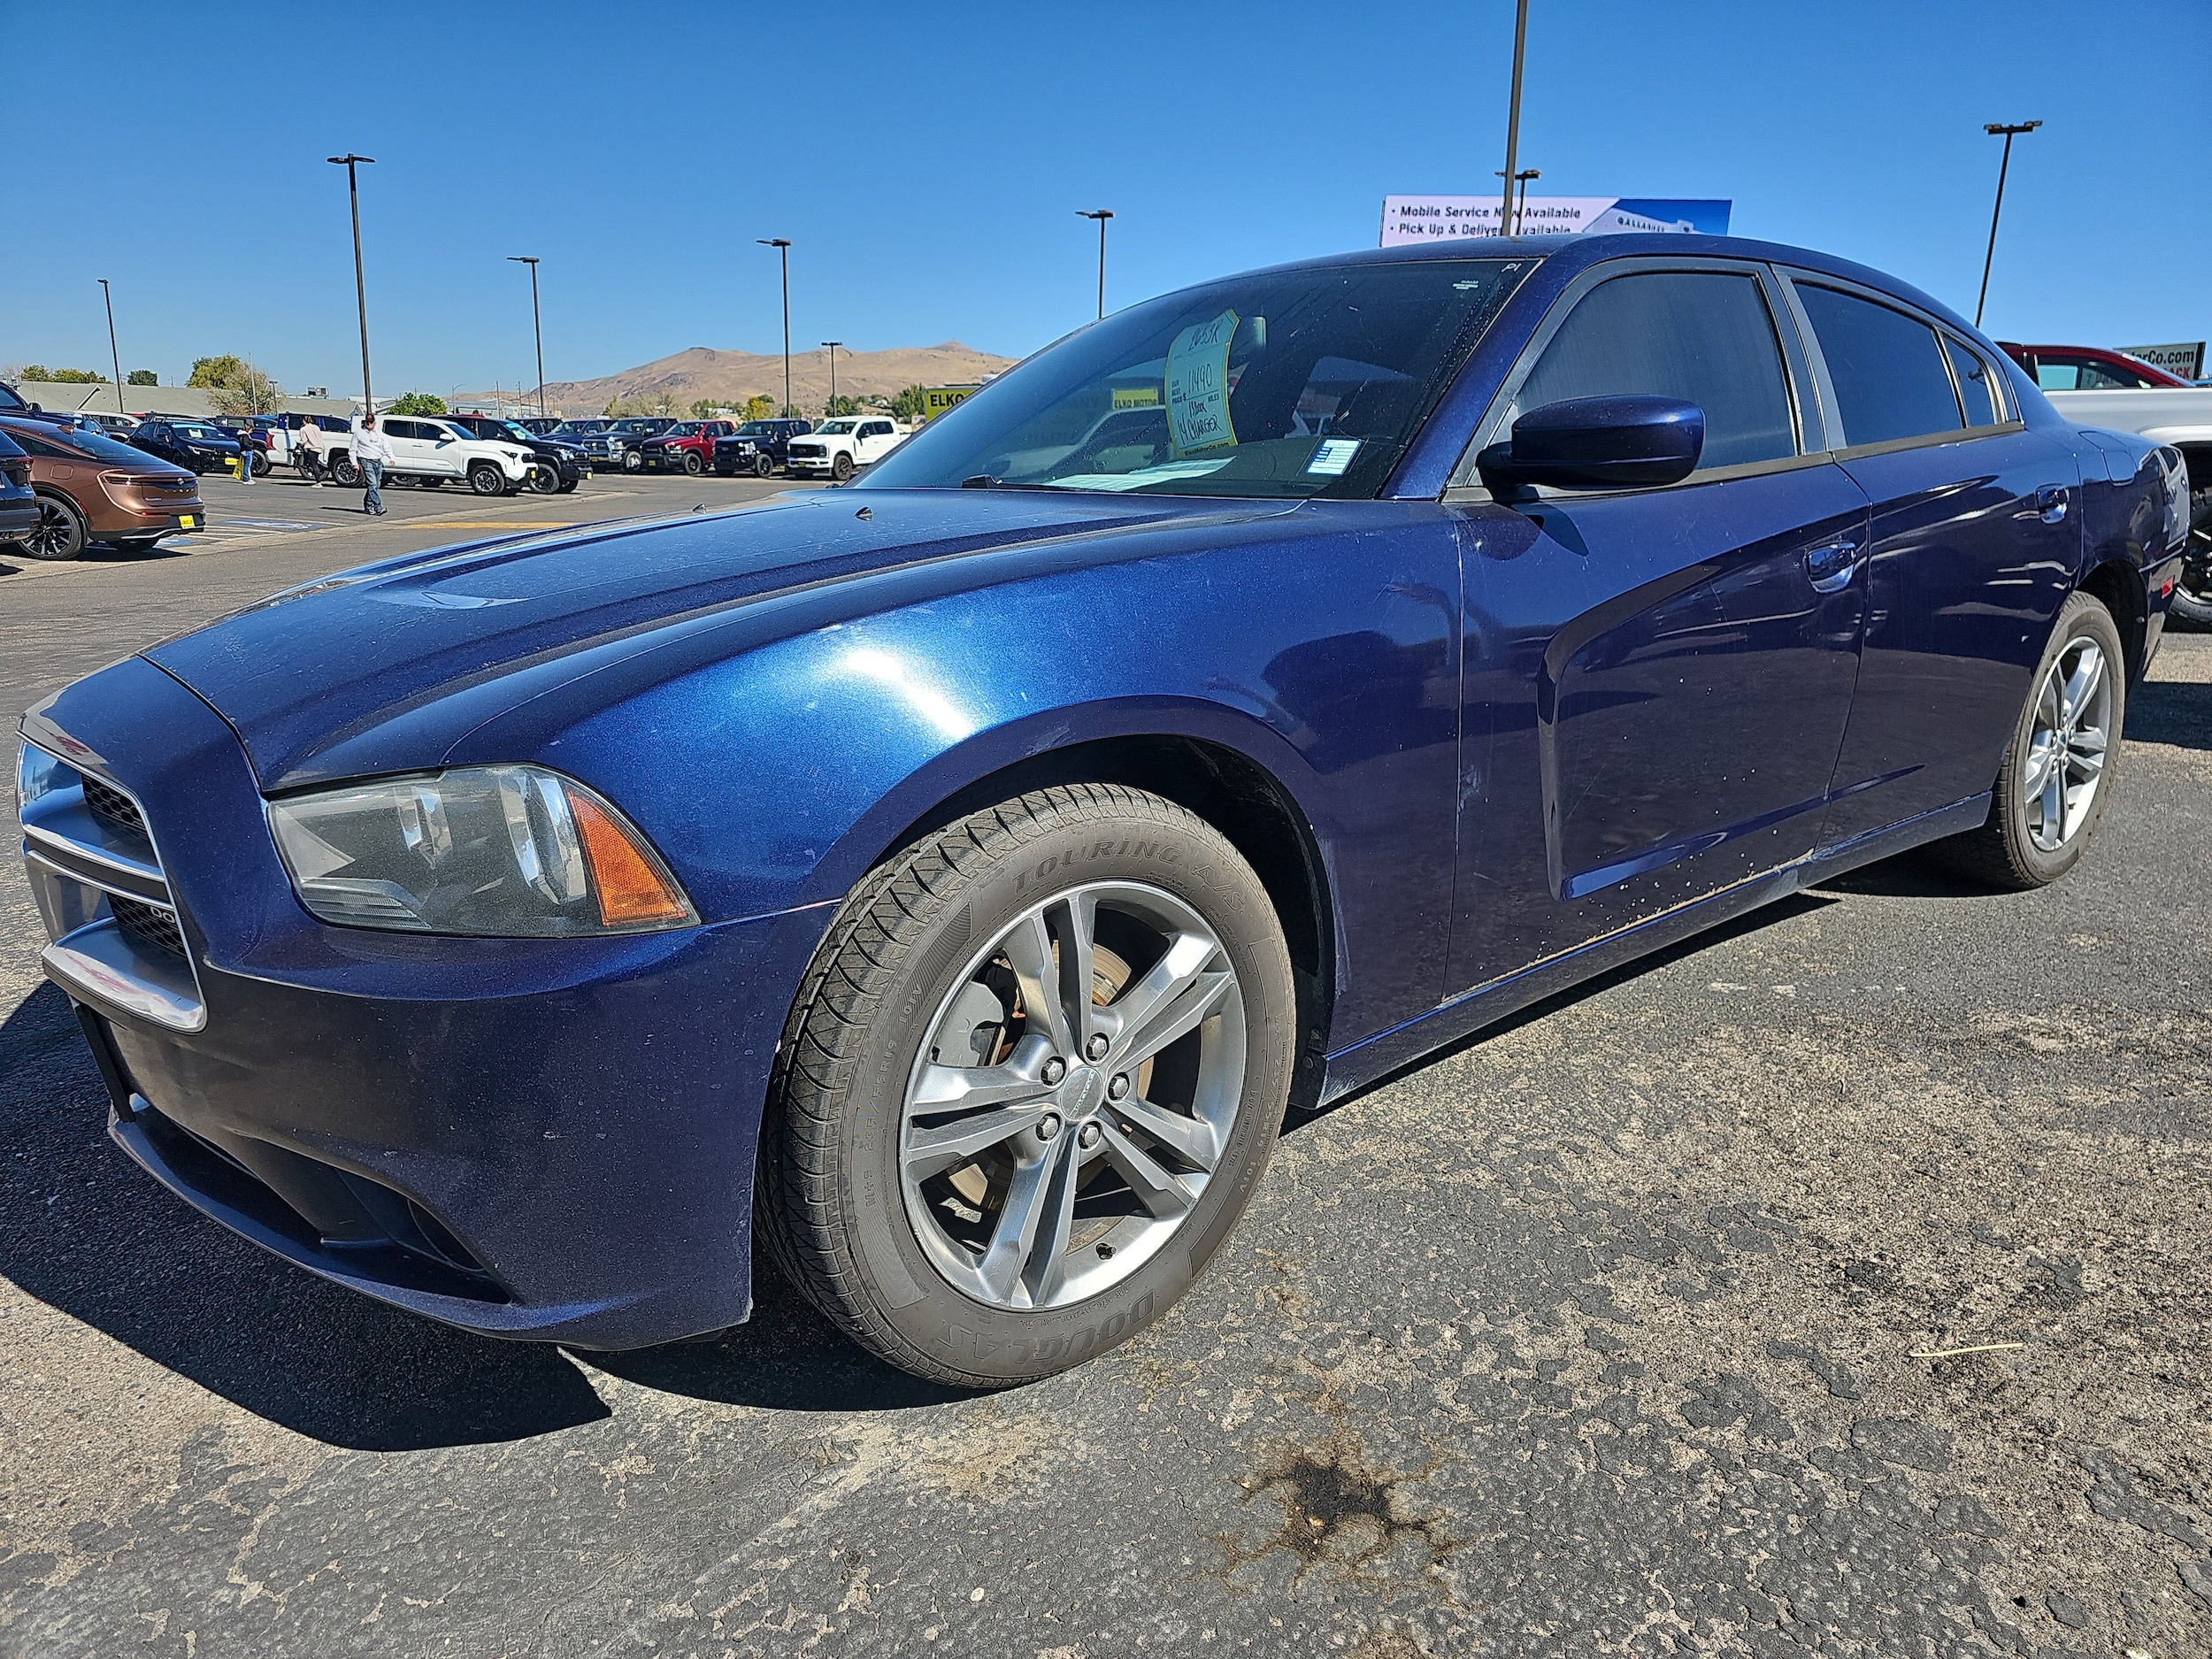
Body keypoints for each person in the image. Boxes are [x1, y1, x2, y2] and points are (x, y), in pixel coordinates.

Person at [351, 414, 392, 515]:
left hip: (378, 461)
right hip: (366, 461)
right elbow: (352, 449)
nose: (369, 424)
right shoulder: (359, 433)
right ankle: (378, 507)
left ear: (374, 423)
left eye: (371, 422)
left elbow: (387, 447)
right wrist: (354, 463)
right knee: (372, 484)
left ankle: (369, 506)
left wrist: (392, 458)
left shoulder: (380, 435)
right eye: (367, 422)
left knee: (375, 486)